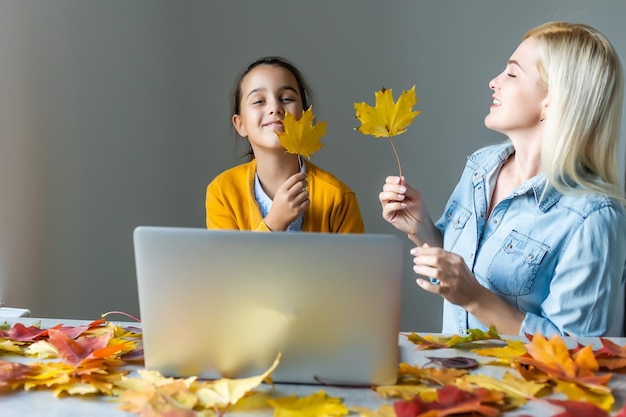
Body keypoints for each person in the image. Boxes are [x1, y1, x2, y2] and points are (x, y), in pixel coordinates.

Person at [379, 21, 626, 337]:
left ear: (552, 102)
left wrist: (478, 299)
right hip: (456, 379)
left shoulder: (595, 218)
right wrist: (421, 228)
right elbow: (461, 275)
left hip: (521, 387)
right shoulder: (481, 167)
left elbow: (577, 353)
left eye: (511, 74)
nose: (493, 81)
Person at [206, 56, 365, 233]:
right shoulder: (222, 191)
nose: (275, 108)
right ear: (240, 124)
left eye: (286, 99)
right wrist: (274, 223)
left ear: (305, 116)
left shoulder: (339, 197)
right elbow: (228, 261)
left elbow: (354, 261)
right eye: (259, 101)